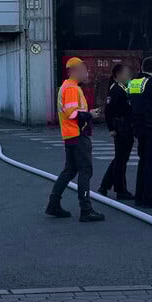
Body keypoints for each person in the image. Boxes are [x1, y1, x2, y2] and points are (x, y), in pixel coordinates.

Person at [46, 57, 105, 222]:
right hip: (78, 135)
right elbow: (72, 114)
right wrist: (90, 114)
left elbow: (70, 112)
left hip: (70, 135)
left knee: (70, 171)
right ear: (74, 71)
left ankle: (53, 204)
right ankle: (86, 210)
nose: (86, 73)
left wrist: (87, 113)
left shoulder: (66, 87)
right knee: (85, 171)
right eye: (83, 70)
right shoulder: (72, 88)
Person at [128, 56, 152, 208]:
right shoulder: (151, 84)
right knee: (151, 163)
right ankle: (149, 198)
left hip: (139, 127)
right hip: (151, 127)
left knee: (143, 161)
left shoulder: (133, 82)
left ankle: (140, 196)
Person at [98, 63, 135, 200]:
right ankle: (121, 190)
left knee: (120, 158)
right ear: (117, 75)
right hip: (121, 127)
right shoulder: (115, 89)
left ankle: (105, 185)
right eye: (126, 73)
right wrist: (111, 128)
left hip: (126, 127)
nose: (129, 76)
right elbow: (108, 111)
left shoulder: (124, 88)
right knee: (121, 160)